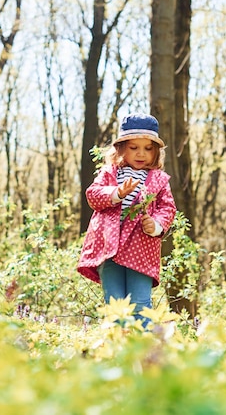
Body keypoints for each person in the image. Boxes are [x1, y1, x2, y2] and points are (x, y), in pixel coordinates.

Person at [78, 113, 177, 326]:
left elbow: (167, 207)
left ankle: (144, 353)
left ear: (156, 151)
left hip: (141, 248)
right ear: (122, 148)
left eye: (148, 148)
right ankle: (117, 352)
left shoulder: (158, 179)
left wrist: (156, 225)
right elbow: (93, 195)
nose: (141, 154)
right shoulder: (110, 173)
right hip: (109, 247)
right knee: (115, 304)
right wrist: (117, 193)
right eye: (134, 148)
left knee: (140, 304)